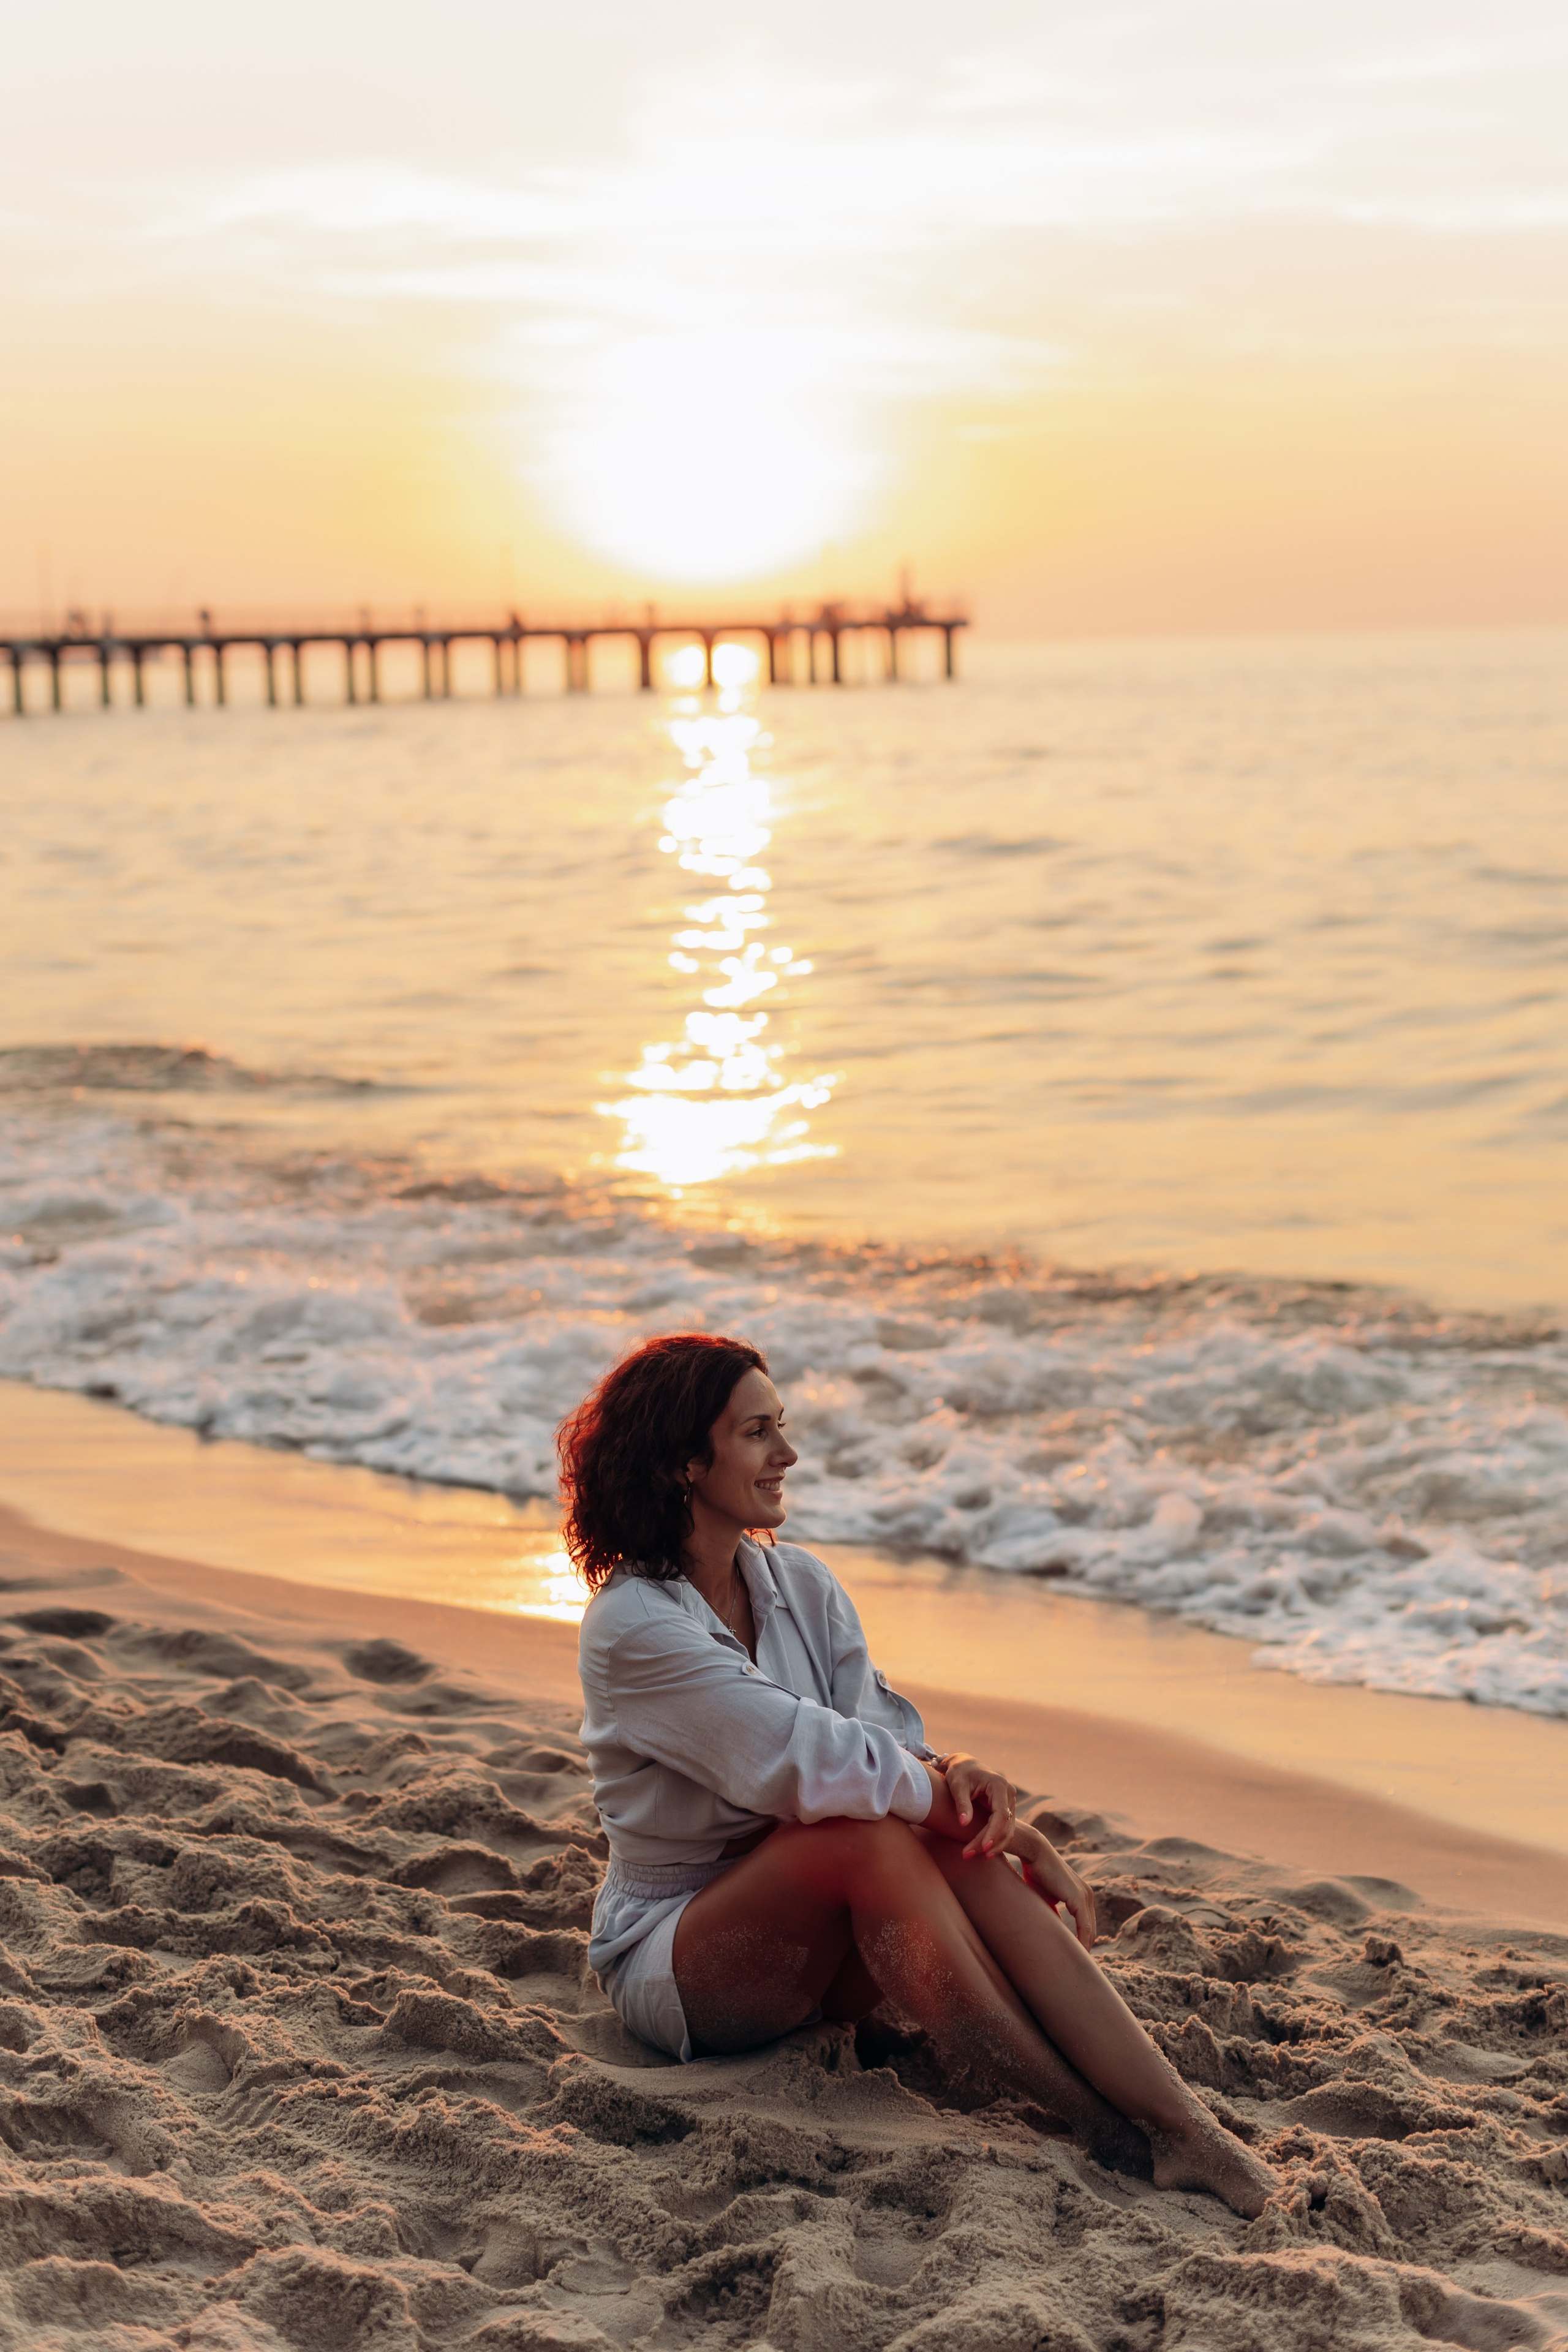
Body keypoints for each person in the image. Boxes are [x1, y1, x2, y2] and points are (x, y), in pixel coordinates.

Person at [562, 1333, 1275, 2215]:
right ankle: (1099, 2124)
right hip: (685, 1962)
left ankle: (1184, 2127)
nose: (788, 1454)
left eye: (781, 1427)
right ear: (682, 1460)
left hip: (826, 1944)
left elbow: (884, 1741)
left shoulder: (804, 1586)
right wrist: (1009, 1827)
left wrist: (964, 1785)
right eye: (756, 1433)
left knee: (937, 1840)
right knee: (868, 1834)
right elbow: (812, 1761)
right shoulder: (633, 1626)